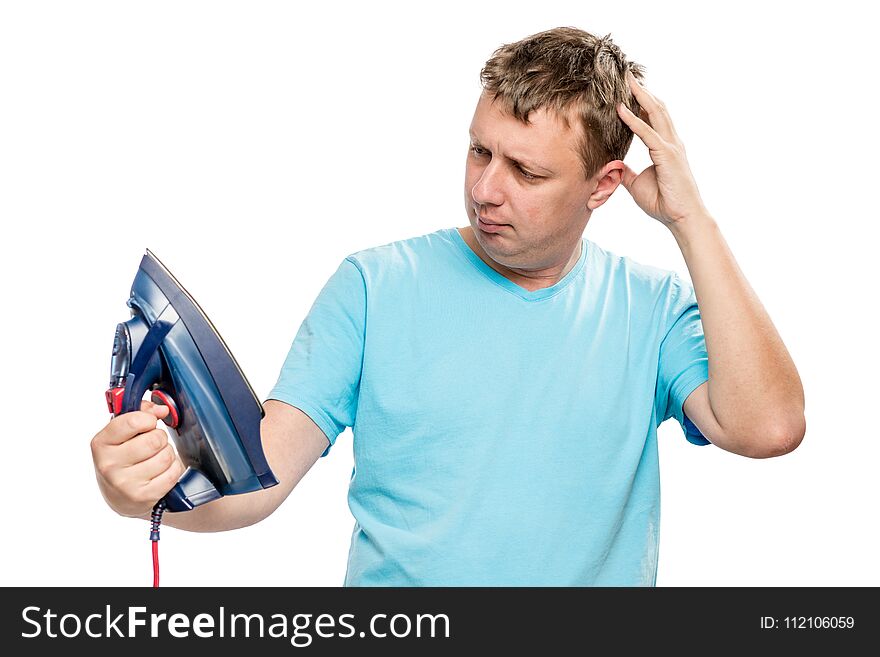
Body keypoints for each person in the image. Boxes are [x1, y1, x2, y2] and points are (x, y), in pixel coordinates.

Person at [90, 27, 805, 586]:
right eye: (478, 151)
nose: (487, 189)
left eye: (526, 169)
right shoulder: (373, 286)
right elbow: (256, 484)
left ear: (603, 185)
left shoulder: (653, 309)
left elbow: (770, 426)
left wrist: (692, 221)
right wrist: (142, 492)